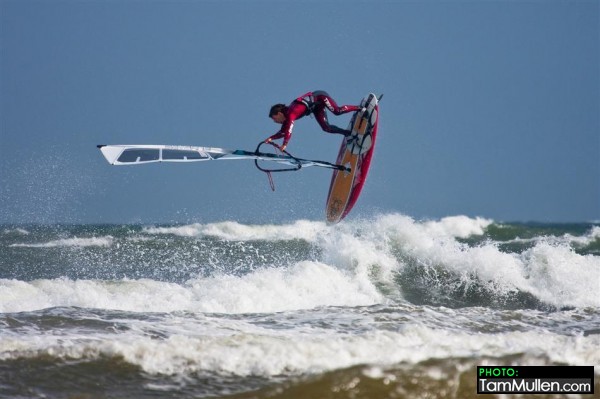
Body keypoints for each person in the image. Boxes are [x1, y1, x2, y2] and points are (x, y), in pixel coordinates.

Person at [264, 90, 361, 152]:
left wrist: (285, 144)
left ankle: (360, 108)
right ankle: (348, 133)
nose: (276, 122)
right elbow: (283, 132)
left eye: (275, 119)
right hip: (316, 107)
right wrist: (271, 138)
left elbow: (288, 130)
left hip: (320, 97)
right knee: (326, 128)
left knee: (337, 111)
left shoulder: (291, 113)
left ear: (279, 113)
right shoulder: (287, 117)